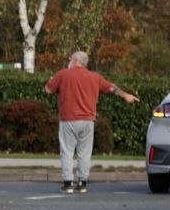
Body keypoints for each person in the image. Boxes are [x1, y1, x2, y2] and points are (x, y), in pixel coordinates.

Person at [44, 50, 140, 194]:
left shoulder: (63, 74)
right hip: (88, 120)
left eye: (70, 59)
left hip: (68, 119)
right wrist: (126, 95)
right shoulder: (95, 77)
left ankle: (68, 183)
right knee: (84, 152)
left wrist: (51, 81)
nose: (68, 61)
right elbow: (111, 88)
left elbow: (47, 90)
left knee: (67, 151)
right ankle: (82, 183)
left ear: (75, 60)